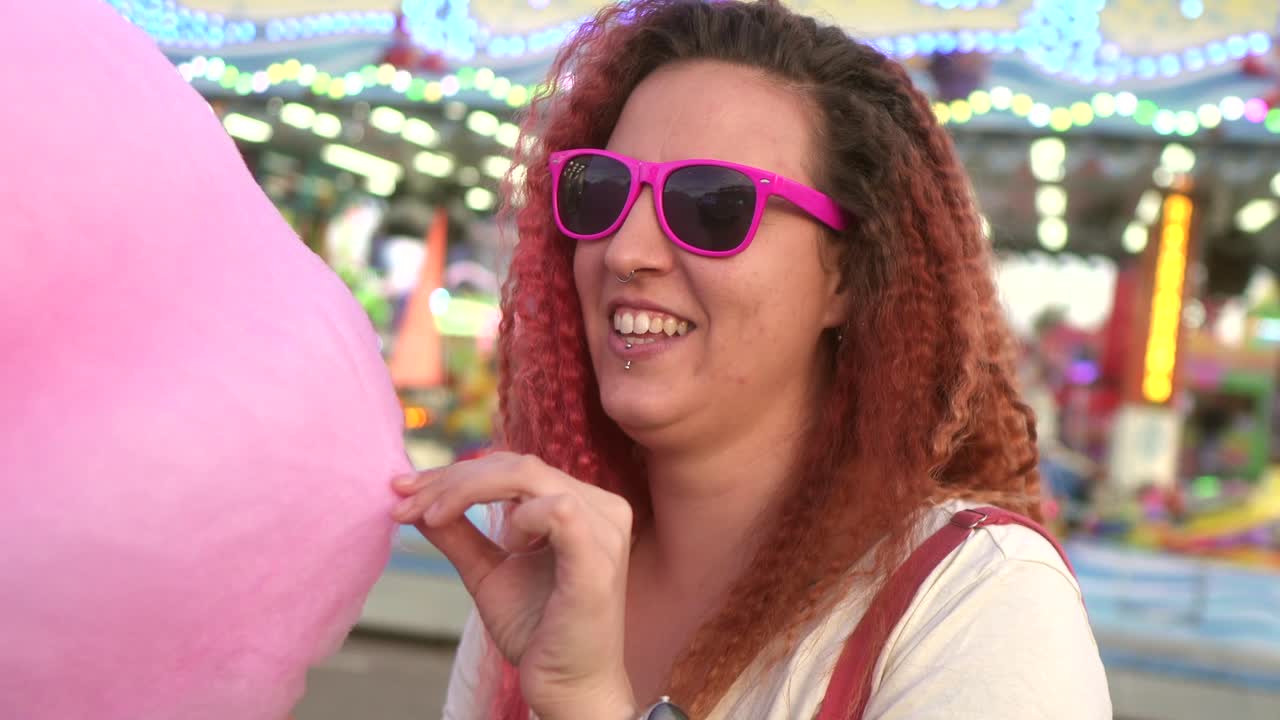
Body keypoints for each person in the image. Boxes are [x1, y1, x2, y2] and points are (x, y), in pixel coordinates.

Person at [390, 1, 1111, 718]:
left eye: (712, 206)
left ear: (848, 274)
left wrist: (586, 704)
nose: (626, 251)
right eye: (601, 191)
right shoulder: (541, 576)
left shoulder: (976, 603)